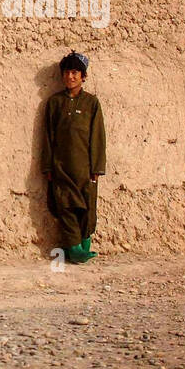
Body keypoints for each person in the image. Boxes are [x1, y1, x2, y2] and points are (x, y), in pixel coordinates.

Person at [41, 51, 106, 264]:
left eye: (75, 72)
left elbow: (98, 137)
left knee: (86, 208)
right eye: (67, 72)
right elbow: (48, 136)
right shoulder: (54, 103)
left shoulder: (91, 103)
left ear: (83, 76)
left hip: (85, 168)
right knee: (65, 206)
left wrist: (96, 167)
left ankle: (83, 244)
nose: (70, 77)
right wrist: (48, 167)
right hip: (61, 167)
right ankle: (76, 250)